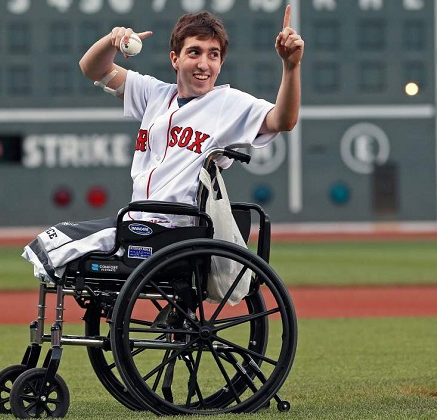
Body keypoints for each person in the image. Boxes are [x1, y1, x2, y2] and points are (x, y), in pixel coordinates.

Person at [23, 6, 304, 282]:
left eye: (213, 55)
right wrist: (111, 41)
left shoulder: (229, 104)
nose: (204, 64)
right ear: (175, 59)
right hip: (137, 222)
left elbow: (283, 119)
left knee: (55, 242)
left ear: (221, 63)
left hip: (175, 228)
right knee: (59, 241)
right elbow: (92, 68)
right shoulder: (154, 95)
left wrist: (291, 67)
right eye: (194, 52)